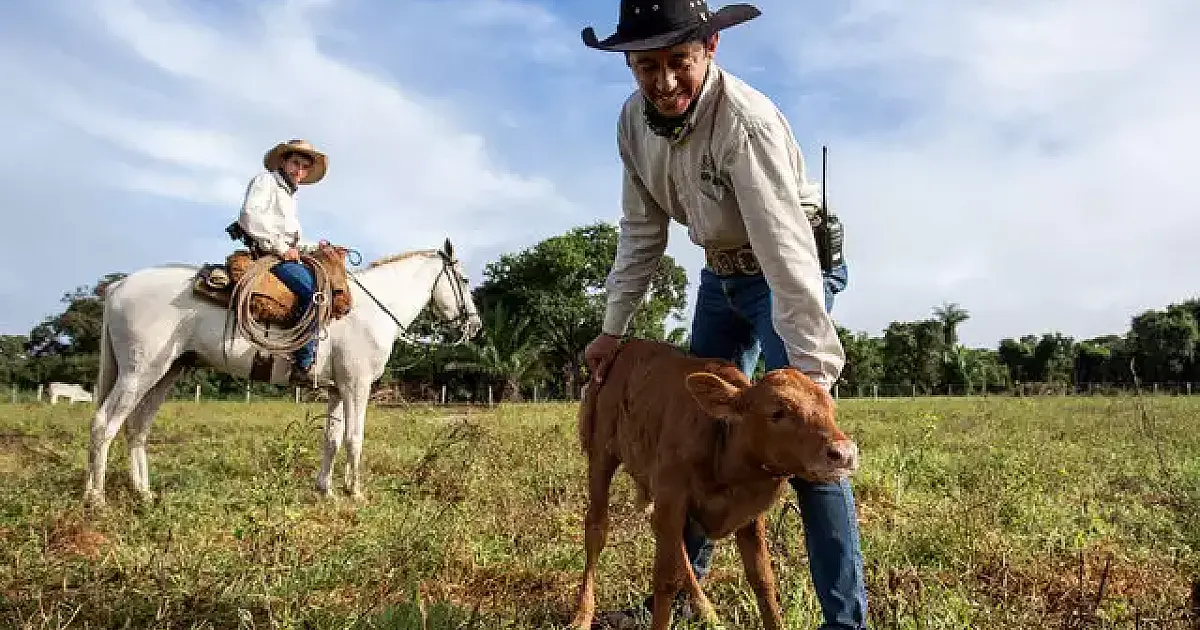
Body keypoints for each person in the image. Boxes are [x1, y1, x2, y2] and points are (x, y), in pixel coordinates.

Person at [579, 2, 866, 628]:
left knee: (810, 450)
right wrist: (612, 329)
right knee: (700, 421)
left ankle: (846, 621)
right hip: (721, 272)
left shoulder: (746, 124)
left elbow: (787, 252)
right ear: (630, 64)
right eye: (646, 66)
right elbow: (641, 234)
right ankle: (685, 592)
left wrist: (811, 371)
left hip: (786, 276)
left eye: (679, 61)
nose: (664, 81)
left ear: (710, 48)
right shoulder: (634, 123)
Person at [233, 138, 329, 385]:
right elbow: (249, 217)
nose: (299, 171)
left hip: (282, 253)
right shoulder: (266, 181)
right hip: (268, 255)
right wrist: (280, 248)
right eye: (295, 163)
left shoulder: (290, 195)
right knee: (317, 292)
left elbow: (292, 239)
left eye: (304, 167)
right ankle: (302, 361)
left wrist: (316, 247)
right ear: (284, 162)